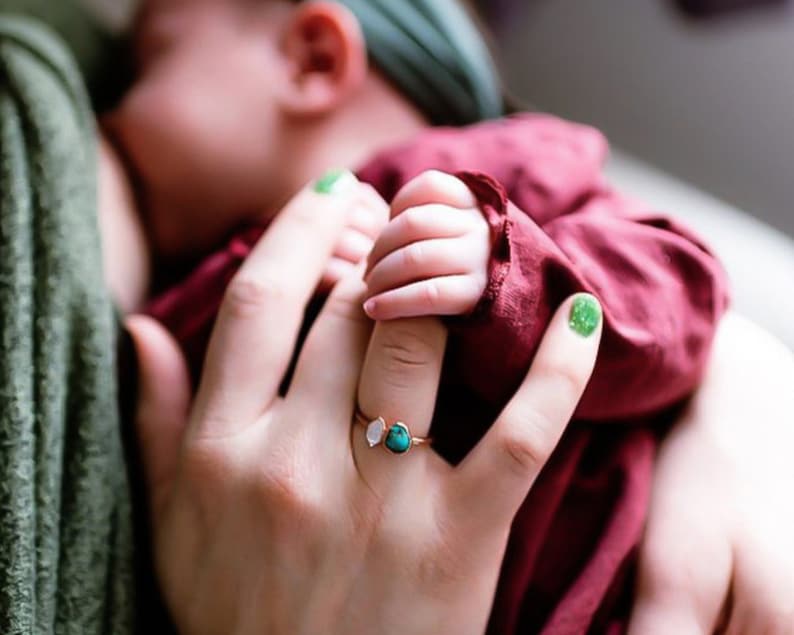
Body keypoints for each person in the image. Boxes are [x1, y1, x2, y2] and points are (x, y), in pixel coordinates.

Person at [102, 0, 729, 631]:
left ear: (311, 60)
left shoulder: (504, 167)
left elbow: (684, 290)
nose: (107, 114)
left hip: (635, 586)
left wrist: (504, 273)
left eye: (146, 63)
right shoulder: (197, 290)